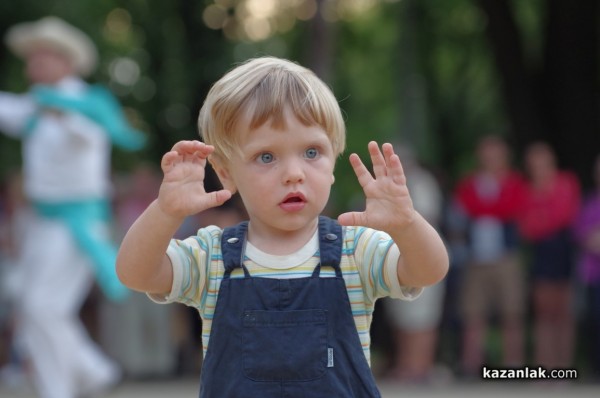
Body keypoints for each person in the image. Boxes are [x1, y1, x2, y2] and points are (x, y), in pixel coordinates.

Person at [116, 56, 449, 397]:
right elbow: (135, 273)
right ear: (227, 172)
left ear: (333, 160)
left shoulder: (355, 250)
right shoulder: (212, 256)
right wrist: (165, 211)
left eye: (311, 152)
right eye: (266, 157)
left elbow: (428, 271)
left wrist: (406, 224)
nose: (294, 173)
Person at [0, 16, 145, 398]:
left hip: (78, 223)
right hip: (42, 223)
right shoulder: (37, 105)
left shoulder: (87, 106)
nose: (33, 64)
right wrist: (48, 110)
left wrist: (67, 114)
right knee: (34, 306)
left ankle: (68, 384)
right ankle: (92, 370)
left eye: (42, 56)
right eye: (32, 57)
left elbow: (95, 133)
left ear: (66, 61)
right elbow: (10, 111)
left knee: (42, 307)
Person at [452, 135, 526, 376]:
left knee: (511, 312)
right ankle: (472, 366)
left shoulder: (514, 182)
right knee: (473, 313)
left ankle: (512, 365)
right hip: (476, 259)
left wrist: (483, 207)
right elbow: (462, 209)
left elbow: (512, 208)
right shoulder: (471, 182)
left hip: (506, 257)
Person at [383, 146, 446, 384]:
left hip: (424, 252)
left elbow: (427, 219)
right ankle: (406, 364)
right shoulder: (388, 183)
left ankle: (421, 366)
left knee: (424, 315)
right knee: (401, 313)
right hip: (396, 253)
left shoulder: (422, 183)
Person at [518, 142, 580, 370]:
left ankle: (564, 368)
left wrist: (541, 217)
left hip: (563, 252)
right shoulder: (526, 189)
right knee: (544, 315)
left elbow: (565, 215)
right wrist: (545, 217)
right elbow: (525, 227)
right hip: (541, 254)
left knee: (564, 313)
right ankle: (544, 368)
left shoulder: (566, 182)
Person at [573, 154, 600, 379]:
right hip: (594, 274)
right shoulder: (591, 203)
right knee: (593, 319)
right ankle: (594, 368)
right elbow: (581, 233)